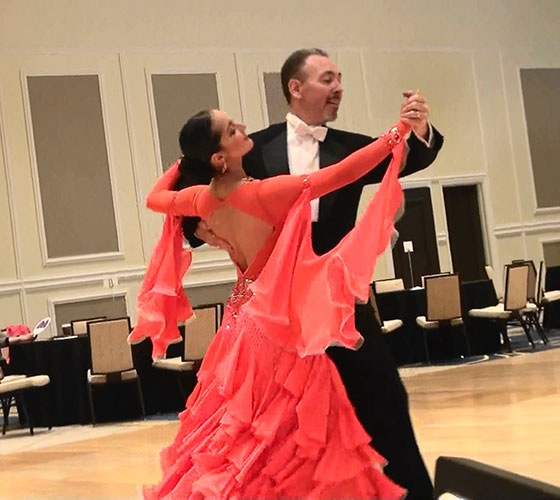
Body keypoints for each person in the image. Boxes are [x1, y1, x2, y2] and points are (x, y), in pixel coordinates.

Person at [182, 48, 444, 499]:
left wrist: (416, 130)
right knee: (280, 425)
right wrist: (205, 231)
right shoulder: (253, 148)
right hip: (278, 312)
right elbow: (196, 182)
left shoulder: (350, 146)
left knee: (383, 396)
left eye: (340, 78)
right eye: (327, 79)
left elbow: (405, 158)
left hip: (337, 301)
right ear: (296, 87)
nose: (338, 87)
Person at [131, 108, 412, 499]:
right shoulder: (262, 194)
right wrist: (396, 133)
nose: (242, 128)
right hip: (278, 327)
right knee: (286, 435)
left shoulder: (202, 200)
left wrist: (182, 164)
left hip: (239, 328)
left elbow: (155, 198)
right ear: (219, 157)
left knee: (249, 432)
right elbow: (342, 173)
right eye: (232, 130)